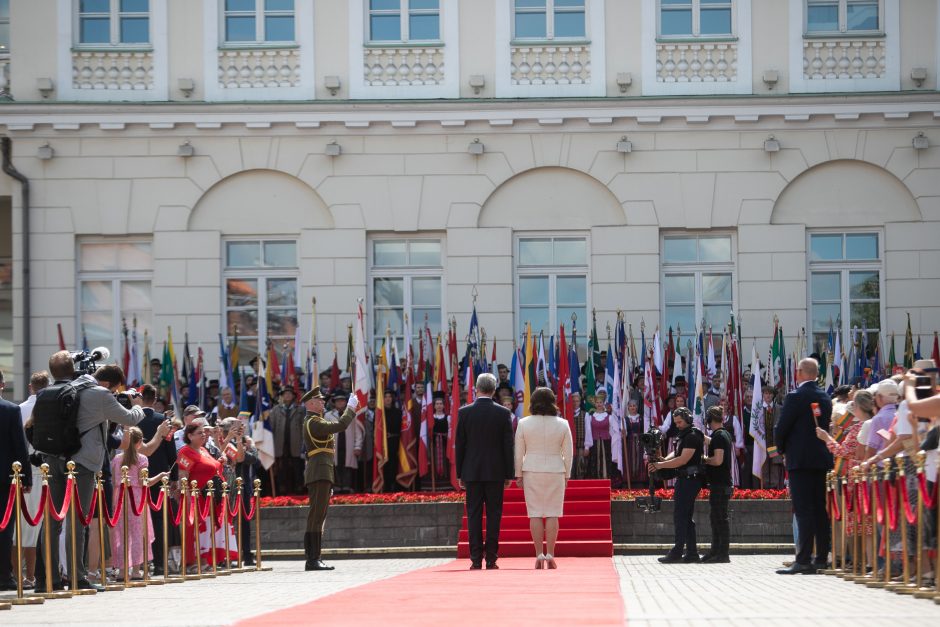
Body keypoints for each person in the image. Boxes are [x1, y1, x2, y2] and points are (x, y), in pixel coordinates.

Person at [34, 357, 144, 593]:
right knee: (79, 521)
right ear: (108, 384)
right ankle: (78, 577)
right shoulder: (100, 394)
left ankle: (47, 579)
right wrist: (135, 404)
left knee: (52, 520)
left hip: (52, 459)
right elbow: (130, 419)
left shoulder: (58, 389)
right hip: (82, 464)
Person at [774, 357, 833, 575]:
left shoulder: (796, 396)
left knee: (803, 509)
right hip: (819, 459)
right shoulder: (825, 396)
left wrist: (781, 449)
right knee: (819, 509)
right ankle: (821, 557)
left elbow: (782, 427)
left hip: (800, 460)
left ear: (800, 372)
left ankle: (804, 558)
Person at [456, 372, 514, 570]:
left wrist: (459, 474)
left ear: (476, 389)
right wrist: (509, 474)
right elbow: (508, 446)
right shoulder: (503, 413)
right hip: (496, 472)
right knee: (494, 515)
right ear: (494, 390)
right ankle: (491, 558)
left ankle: (474, 559)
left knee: (473, 515)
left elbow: (460, 445)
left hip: (471, 472)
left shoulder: (464, 412)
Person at [514, 387, 573, 570]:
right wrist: (568, 473)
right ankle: (551, 554)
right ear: (552, 401)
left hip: (531, 470)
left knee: (535, 513)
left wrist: (518, 474)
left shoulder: (523, 423)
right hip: (556, 470)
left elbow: (518, 452)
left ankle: (539, 553)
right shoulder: (563, 424)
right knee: (553, 513)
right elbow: (569, 453)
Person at [302, 386, 359, 571]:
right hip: (319, 472)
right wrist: (351, 408)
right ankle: (312, 559)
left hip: (322, 473)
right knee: (316, 516)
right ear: (310, 403)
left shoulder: (315, 420)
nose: (322, 403)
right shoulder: (313, 422)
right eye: (319, 400)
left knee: (319, 516)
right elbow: (341, 426)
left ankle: (314, 557)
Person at [110, 427, 168, 580]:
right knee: (137, 534)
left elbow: (115, 481)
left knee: (122, 535)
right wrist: (160, 476)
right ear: (140, 442)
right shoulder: (142, 459)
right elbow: (145, 482)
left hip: (120, 497)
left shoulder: (116, 459)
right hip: (136, 498)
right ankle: (136, 570)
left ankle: (122, 571)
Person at [648, 407, 704, 563]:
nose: (677, 425)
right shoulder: (685, 435)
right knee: (685, 517)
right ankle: (691, 552)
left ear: (688, 419)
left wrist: (661, 466)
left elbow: (683, 460)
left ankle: (677, 551)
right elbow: (677, 453)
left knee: (680, 516)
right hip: (686, 479)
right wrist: (664, 460)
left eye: (679, 422)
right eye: (675, 422)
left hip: (690, 480)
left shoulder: (692, 435)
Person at [136, 383, 178, 576]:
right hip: (160, 475)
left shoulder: (131, 420)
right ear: (154, 400)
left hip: (136, 474)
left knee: (137, 518)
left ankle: (140, 562)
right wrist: (174, 478)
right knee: (160, 520)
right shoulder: (164, 422)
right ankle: (160, 562)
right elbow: (172, 454)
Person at [177, 420, 224, 571]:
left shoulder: (203, 450)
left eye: (204, 432)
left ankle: (205, 560)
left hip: (209, 497)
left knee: (206, 530)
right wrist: (188, 496)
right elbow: (183, 476)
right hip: (195, 497)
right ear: (189, 436)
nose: (203, 435)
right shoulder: (185, 451)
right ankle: (191, 563)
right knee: (194, 530)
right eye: (199, 433)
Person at [16, 371, 49, 590]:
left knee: (20, 524)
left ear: (30, 387)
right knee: (36, 525)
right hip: (43, 469)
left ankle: (19, 574)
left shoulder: (18, 409)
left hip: (20, 470)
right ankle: (31, 575)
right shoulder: (51, 408)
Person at [0, 369, 32, 592]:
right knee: (4, 529)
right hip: (5, 479)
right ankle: (3, 575)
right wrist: (26, 478)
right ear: (2, 385)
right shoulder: (10, 410)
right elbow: (20, 446)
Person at [701, 406, 733, 563]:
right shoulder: (723, 434)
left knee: (720, 518)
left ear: (709, 420)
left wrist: (704, 459)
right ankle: (715, 551)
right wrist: (702, 436)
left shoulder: (719, 437)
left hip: (720, 484)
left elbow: (718, 460)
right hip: (721, 484)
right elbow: (713, 442)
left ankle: (722, 553)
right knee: (716, 518)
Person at [269, 387, 305, 495]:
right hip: (280, 443)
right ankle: (282, 488)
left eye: (290, 393)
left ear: (294, 396)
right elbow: (272, 427)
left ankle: (298, 487)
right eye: (285, 394)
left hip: (296, 443)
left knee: (297, 467)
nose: (287, 396)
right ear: (282, 396)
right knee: (281, 468)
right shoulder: (276, 409)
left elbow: (304, 427)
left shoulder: (301, 409)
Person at [329, 392, 361, 494]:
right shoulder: (328, 415)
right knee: (335, 466)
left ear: (346, 402)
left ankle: (347, 486)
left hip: (349, 445)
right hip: (334, 445)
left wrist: (358, 446)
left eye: (342, 401)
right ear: (334, 403)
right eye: (337, 401)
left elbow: (358, 432)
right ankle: (337, 487)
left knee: (347, 466)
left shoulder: (352, 414)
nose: (340, 403)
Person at [584, 389, 614, 480]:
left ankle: (606, 480)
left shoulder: (609, 417)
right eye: (597, 402)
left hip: (606, 443)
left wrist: (614, 446)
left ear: (603, 403)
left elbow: (612, 432)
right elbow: (588, 432)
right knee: (595, 462)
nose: (599, 404)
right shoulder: (590, 416)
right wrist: (587, 447)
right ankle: (596, 481)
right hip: (594, 443)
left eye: (600, 402)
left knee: (606, 462)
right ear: (595, 404)